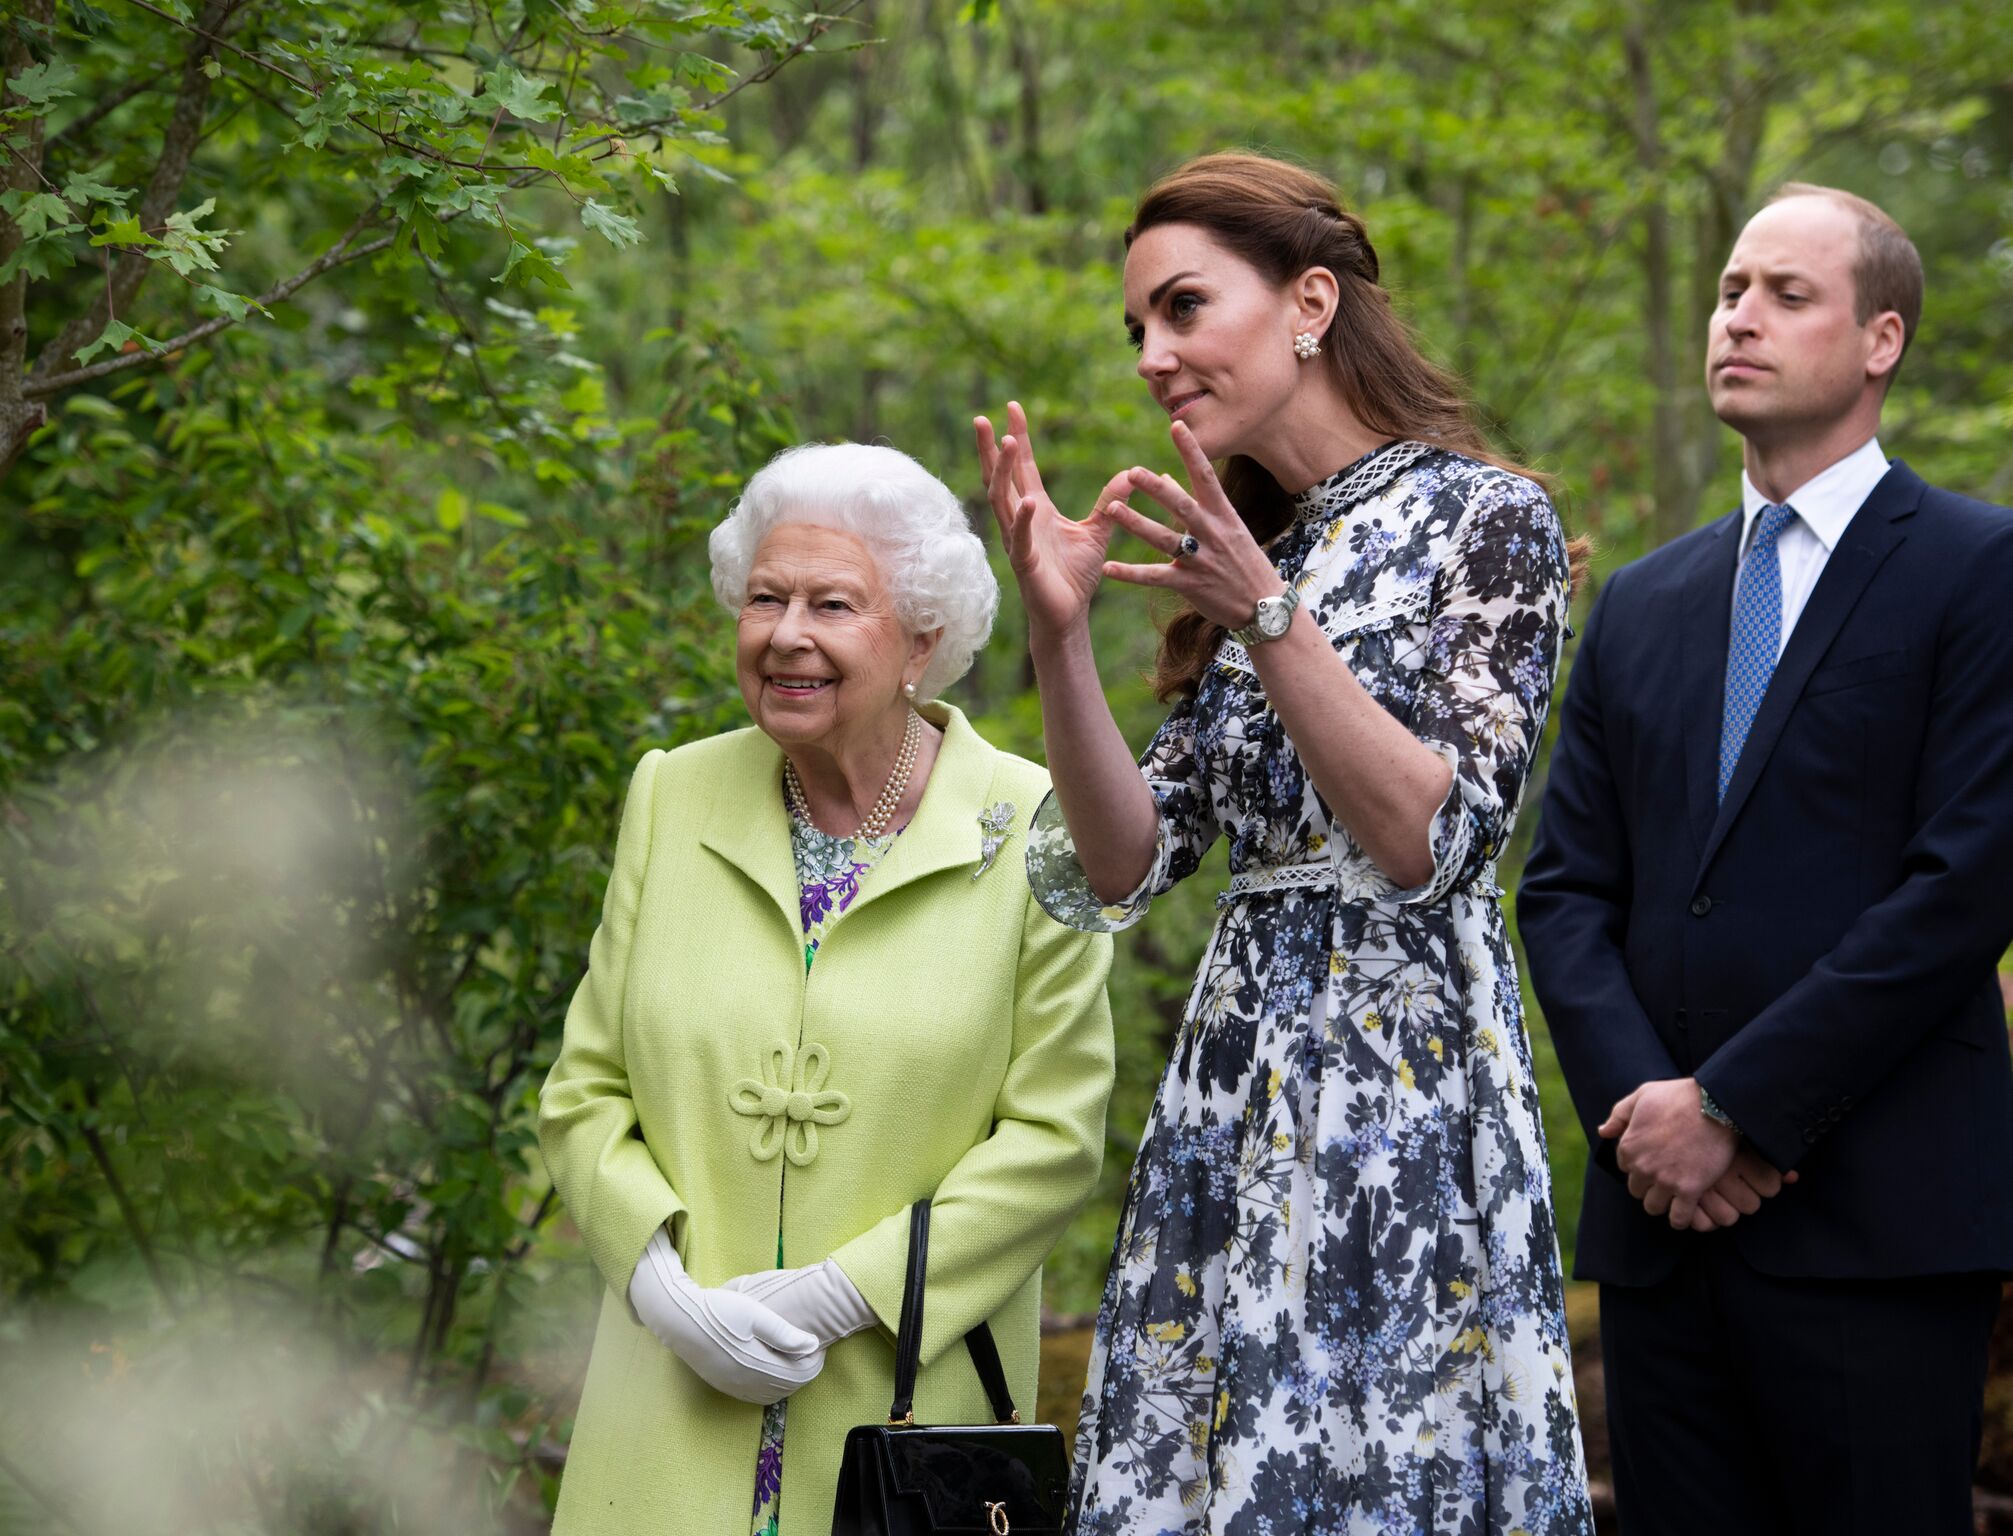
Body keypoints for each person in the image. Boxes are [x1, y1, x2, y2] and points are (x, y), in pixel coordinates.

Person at [978, 152, 1594, 1535]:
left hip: (1401, 1106)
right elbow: (1123, 864)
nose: (1151, 354)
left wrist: (1271, 617)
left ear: (1310, 301)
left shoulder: (1487, 521)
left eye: (1183, 308)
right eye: (1134, 328)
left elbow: (1427, 838)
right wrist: (1059, 631)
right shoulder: (1255, 551)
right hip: (1233, 1085)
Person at [1519, 183, 2013, 1533]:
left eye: (1786, 294)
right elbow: (1566, 890)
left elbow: (1965, 883)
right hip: (1662, 1231)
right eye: (1732, 289)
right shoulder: (1642, 601)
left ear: (1881, 341)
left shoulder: (1981, 568)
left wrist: (1735, 1107)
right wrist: (1650, 1121)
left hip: (1881, 1220)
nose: (1738, 315)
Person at [537, 442, 1116, 1536]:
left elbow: (1054, 1138)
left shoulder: (1036, 822)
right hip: (668, 1410)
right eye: (765, 598)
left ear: (922, 640)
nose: (785, 634)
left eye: (832, 603)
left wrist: (838, 1293)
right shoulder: (672, 795)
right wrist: (663, 1292)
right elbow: (584, 1090)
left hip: (898, 1434)